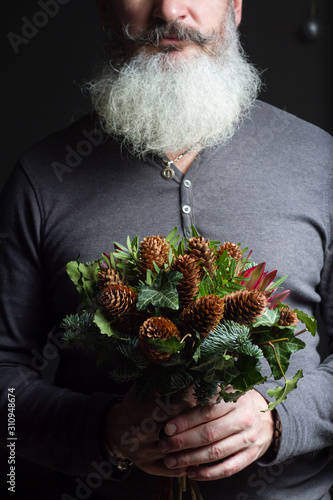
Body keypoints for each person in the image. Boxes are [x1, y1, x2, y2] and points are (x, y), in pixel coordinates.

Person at [0, 0, 332, 499]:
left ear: (235, 7)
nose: (170, 10)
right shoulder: (43, 178)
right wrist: (103, 430)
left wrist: (279, 418)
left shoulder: (321, 163)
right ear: (104, 11)